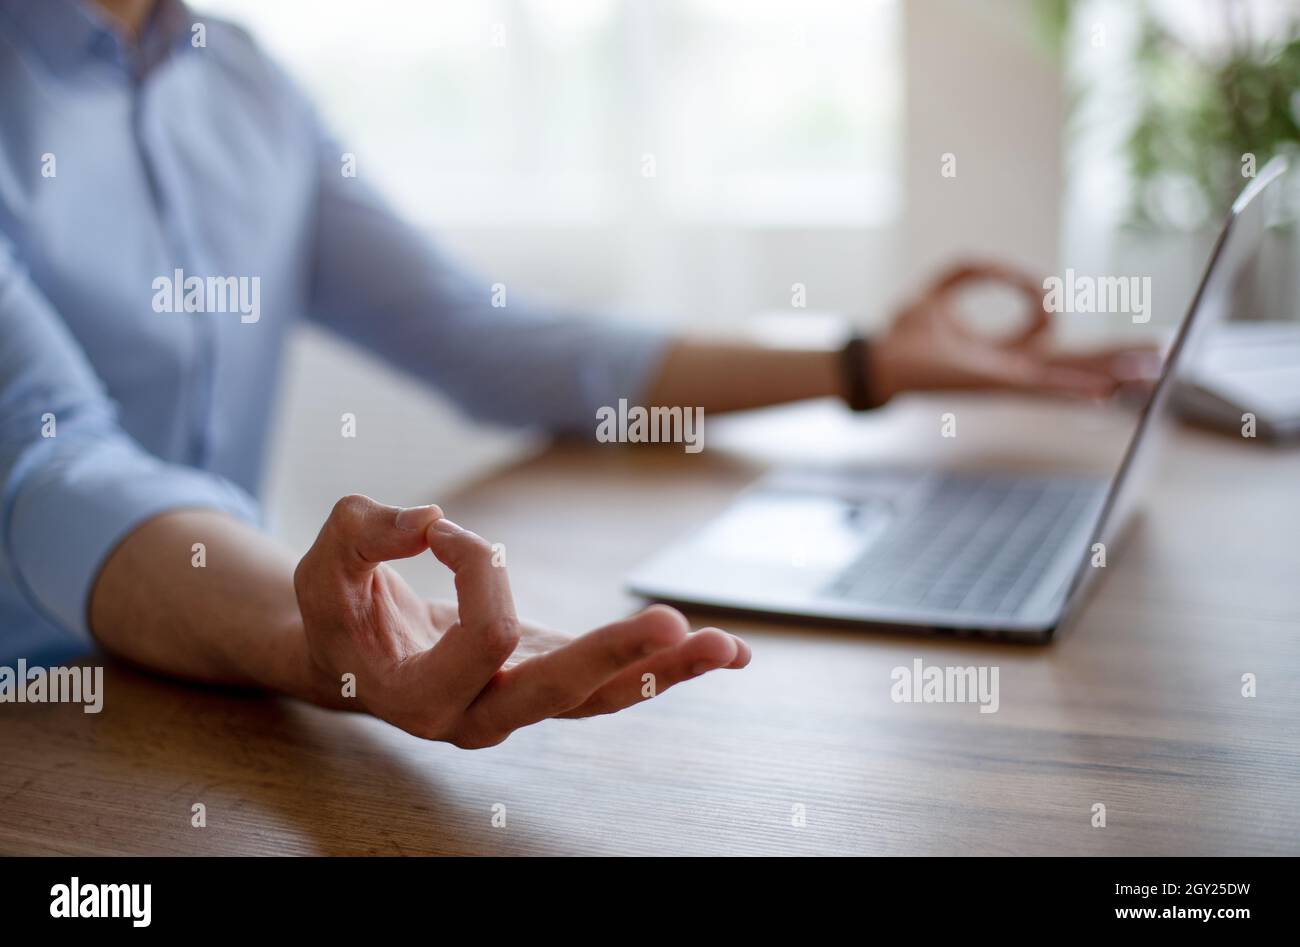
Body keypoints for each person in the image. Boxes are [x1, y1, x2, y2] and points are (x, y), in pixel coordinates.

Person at [0, 0, 1151, 748]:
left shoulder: (241, 80)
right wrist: (314, 642)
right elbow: (52, 460)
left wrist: (866, 363)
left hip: (213, 710)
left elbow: (485, 336)